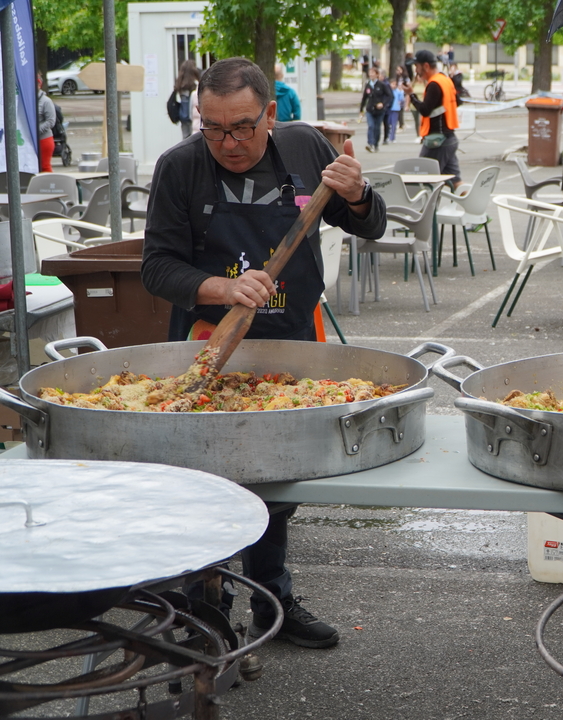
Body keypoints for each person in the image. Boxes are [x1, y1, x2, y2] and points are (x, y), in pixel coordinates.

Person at [142, 57, 387, 650]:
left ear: (271, 114)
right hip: (211, 344)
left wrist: (358, 195)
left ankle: (272, 598)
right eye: (214, 128)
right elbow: (157, 267)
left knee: (277, 479)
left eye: (243, 127)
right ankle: (206, 606)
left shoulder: (305, 149)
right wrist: (222, 288)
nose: (229, 143)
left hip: (293, 342)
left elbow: (370, 225)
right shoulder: (179, 167)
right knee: (207, 477)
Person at [403, 49, 461, 187]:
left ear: (426, 66)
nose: (416, 70)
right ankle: (471, 200)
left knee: (422, 178)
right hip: (449, 138)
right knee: (455, 182)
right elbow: (458, 101)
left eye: (417, 66)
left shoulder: (434, 84)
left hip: (437, 141)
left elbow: (425, 110)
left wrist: (411, 95)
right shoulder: (445, 79)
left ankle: (427, 202)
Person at [359, 66, 392, 152]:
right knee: (371, 126)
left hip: (379, 111)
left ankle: (375, 144)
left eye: (373, 73)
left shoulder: (382, 85)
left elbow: (389, 95)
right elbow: (364, 98)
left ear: (377, 74)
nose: (371, 74)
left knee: (377, 127)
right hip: (370, 109)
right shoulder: (368, 85)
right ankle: (370, 143)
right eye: (370, 73)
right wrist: (361, 109)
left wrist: (383, 104)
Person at [174, 60, 202, 139]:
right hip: (194, 116)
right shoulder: (196, 84)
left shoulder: (180, 84)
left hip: (183, 116)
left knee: (185, 139)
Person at [36, 74, 56, 173]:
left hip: (44, 139)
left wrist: (36, 131)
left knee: (45, 166)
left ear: (40, 85)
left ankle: (49, 182)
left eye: (36, 83)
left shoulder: (46, 101)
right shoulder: (28, 101)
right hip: (31, 139)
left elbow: (51, 121)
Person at [386, 79, 404, 144]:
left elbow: (401, 99)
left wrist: (401, 91)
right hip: (388, 108)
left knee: (394, 124)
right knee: (388, 123)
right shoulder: (387, 91)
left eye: (395, 84)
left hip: (396, 108)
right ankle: (388, 136)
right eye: (392, 84)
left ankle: (392, 137)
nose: (393, 85)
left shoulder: (398, 91)